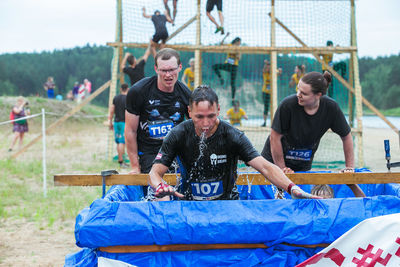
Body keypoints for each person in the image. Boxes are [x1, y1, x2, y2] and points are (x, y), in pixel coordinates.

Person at [148, 85, 319, 200]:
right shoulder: (177, 134)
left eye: (211, 116)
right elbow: (154, 173)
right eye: (199, 117)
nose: (206, 123)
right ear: (189, 112)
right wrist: (160, 186)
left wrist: (292, 188)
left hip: (227, 205)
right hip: (189, 204)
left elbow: (265, 166)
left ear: (219, 110)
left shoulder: (232, 135)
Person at [261, 71, 355, 174]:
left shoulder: (331, 108)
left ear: (318, 95)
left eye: (304, 93)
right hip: (273, 163)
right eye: (298, 90)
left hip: (302, 164)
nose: (298, 95)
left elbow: (346, 136)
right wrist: (282, 169)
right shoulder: (287, 105)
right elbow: (274, 137)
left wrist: (349, 167)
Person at [125, 48, 191, 179]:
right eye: (164, 70)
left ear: (180, 67)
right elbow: (130, 130)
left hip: (176, 151)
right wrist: (134, 166)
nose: (168, 75)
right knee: (157, 189)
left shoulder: (186, 94)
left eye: (172, 70)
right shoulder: (138, 91)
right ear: (156, 69)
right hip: (150, 152)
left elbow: (197, 128)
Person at [212, 37, 241, 101]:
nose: (239, 44)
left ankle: (233, 98)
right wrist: (225, 36)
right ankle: (221, 78)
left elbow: (239, 57)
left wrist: (236, 53)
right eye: (239, 43)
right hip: (228, 64)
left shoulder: (239, 48)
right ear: (236, 41)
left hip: (234, 66)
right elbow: (221, 43)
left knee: (232, 83)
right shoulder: (229, 45)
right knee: (215, 66)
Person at [261, 60, 282, 127]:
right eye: (267, 67)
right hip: (265, 92)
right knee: (266, 107)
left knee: (274, 107)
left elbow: (279, 73)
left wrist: (280, 70)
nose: (268, 68)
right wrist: (265, 63)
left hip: (272, 93)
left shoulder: (274, 71)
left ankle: (274, 122)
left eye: (269, 66)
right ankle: (264, 122)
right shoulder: (265, 72)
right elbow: (264, 70)